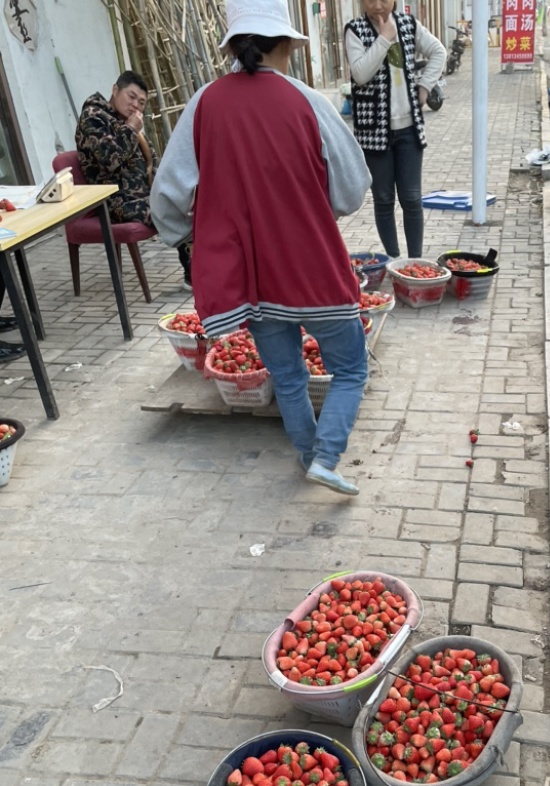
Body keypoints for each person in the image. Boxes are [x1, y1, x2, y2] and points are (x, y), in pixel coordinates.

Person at [151, 0, 372, 497]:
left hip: (252, 278)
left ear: (232, 45)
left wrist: (188, 235)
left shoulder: (204, 104)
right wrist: (318, 210)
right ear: (289, 44)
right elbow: (353, 187)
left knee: (288, 375)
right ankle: (328, 456)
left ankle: (307, 455)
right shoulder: (308, 101)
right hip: (314, 267)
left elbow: (167, 195)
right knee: (351, 367)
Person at [344, 0, 445, 259]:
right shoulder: (355, 30)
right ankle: (393, 259)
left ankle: (414, 261)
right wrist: (384, 39)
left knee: (412, 198)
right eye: (370, 0)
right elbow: (360, 74)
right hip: (374, 132)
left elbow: (438, 52)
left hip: (409, 128)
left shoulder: (408, 24)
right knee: (384, 199)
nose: (378, 5)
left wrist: (424, 88)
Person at [76, 71, 192, 290]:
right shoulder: (93, 117)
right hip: (115, 201)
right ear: (115, 90)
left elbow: (153, 159)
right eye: (131, 97)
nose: (135, 106)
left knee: (191, 201)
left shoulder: (123, 120)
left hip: (141, 196)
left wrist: (167, 187)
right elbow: (111, 160)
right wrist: (131, 129)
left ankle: (201, 270)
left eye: (141, 102)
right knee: (179, 210)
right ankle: (193, 275)